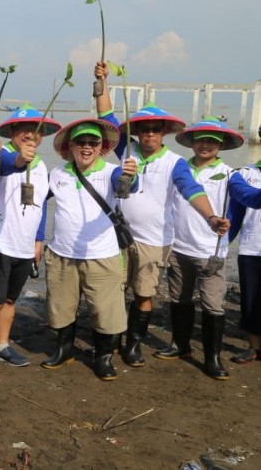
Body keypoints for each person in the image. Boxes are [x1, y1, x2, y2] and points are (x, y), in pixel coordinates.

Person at [95, 62, 228, 367]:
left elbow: (192, 190)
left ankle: (134, 344)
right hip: (118, 237)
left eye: (156, 129)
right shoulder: (125, 151)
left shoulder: (175, 162)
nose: (150, 134)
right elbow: (107, 119)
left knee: (144, 294)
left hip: (155, 240)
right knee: (114, 290)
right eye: (145, 129)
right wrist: (102, 82)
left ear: (164, 132)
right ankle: (112, 339)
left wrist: (210, 218)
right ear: (138, 132)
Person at [42, 117, 138, 380]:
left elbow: (128, 185)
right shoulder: (57, 174)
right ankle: (64, 350)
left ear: (101, 146)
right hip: (62, 254)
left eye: (93, 142)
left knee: (106, 310)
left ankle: (103, 357)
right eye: (80, 142)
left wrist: (130, 175)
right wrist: (36, 241)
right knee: (61, 308)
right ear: (70, 146)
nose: (87, 147)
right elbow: (35, 205)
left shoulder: (111, 172)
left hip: (102, 255)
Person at [0, 105, 61, 384]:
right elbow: (4, 169)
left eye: (36, 130)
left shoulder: (42, 164)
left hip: (24, 245)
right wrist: (17, 160)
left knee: (11, 300)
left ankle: (1, 344)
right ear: (11, 132)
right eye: (23, 129)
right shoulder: (0, 157)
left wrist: (38, 240)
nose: (30, 135)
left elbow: (41, 204)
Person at [154, 118, 241, 379]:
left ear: (221, 145)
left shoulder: (230, 173)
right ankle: (180, 347)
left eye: (212, 141)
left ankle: (212, 358)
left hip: (210, 251)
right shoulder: (179, 168)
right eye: (200, 140)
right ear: (191, 142)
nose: (205, 145)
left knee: (213, 305)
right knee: (179, 299)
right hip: (179, 247)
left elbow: (246, 195)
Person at [227, 155, 261, 365]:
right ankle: (254, 347)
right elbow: (235, 214)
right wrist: (224, 245)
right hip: (252, 247)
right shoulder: (245, 174)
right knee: (249, 300)